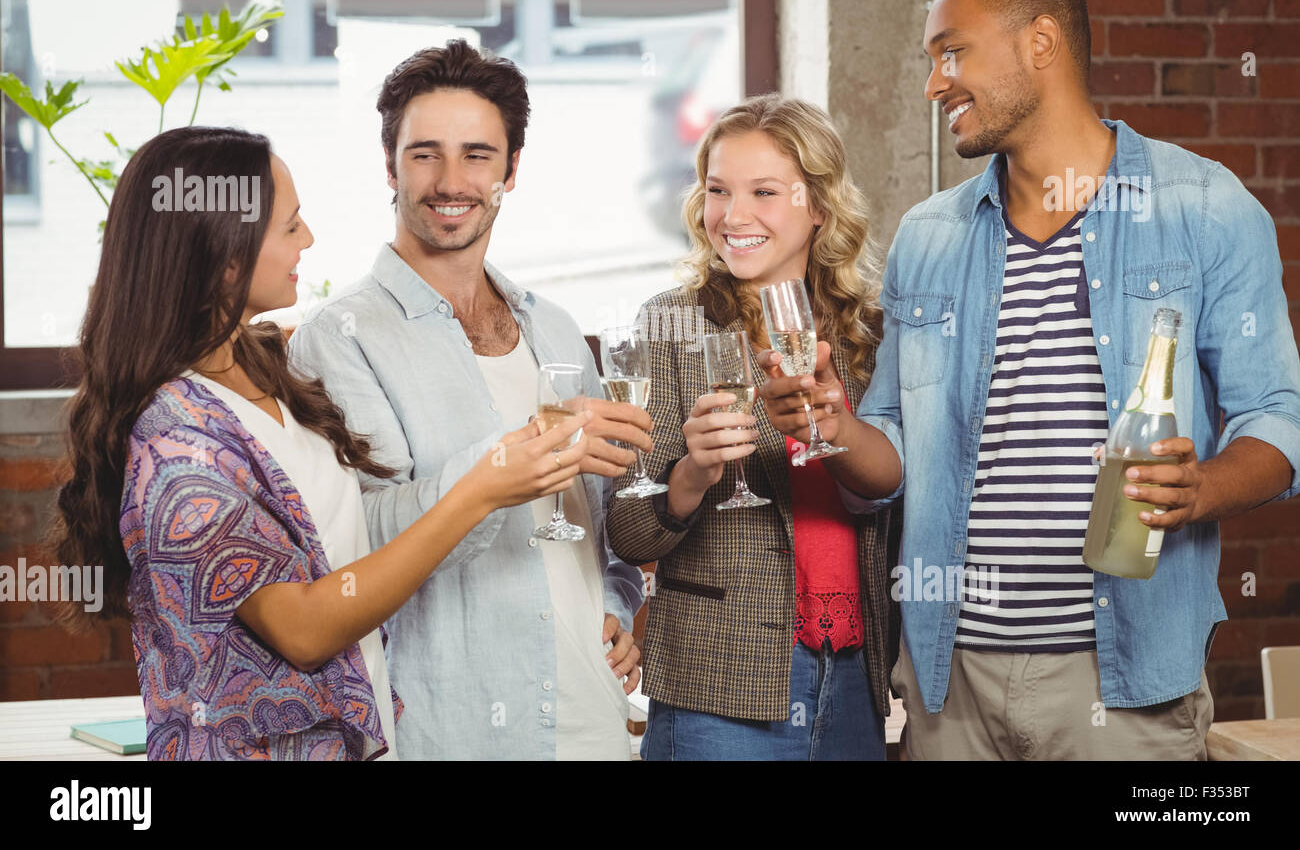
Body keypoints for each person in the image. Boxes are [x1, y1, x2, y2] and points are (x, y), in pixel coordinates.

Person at [784, 0, 1300, 759]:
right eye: (929, 61)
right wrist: (835, 424)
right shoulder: (929, 235)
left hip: (1126, 681)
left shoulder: (1202, 205)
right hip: (948, 681)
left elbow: (1279, 418)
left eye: (952, 53)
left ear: (1042, 42)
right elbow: (888, 466)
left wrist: (1201, 488)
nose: (934, 83)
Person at [50, 126, 588, 760]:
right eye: (289, 226)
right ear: (225, 254)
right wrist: (480, 493)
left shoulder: (261, 362)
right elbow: (304, 628)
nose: (308, 238)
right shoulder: (176, 444)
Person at [287, 40, 648, 761]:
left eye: (478, 155)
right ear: (389, 165)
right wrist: (499, 466)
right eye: (425, 154)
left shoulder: (552, 327)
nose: (451, 180)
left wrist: (619, 604)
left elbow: (602, 521)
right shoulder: (339, 339)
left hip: (592, 719)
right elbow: (364, 536)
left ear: (511, 171)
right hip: (449, 727)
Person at [605, 94, 900, 760]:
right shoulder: (670, 325)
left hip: (853, 676)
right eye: (717, 191)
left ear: (818, 206)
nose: (733, 216)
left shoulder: (869, 334)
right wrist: (693, 473)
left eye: (764, 192)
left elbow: (898, 491)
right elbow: (626, 529)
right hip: (719, 686)